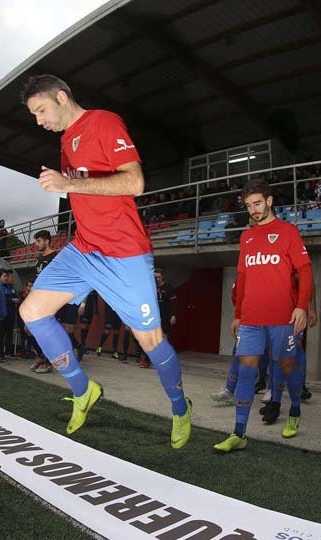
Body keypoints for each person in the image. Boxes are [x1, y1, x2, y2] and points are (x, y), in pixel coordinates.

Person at [19, 74, 191, 447]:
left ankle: (180, 407)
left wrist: (70, 185)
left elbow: (134, 183)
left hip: (124, 253)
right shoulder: (65, 141)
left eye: (41, 110)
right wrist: (70, 186)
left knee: (151, 340)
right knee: (32, 311)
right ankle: (84, 389)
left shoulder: (104, 122)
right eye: (34, 114)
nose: (39, 121)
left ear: (62, 97)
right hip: (84, 249)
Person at [214, 178, 313, 453]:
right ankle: (239, 432)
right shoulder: (247, 237)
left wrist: (302, 306)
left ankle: (294, 410)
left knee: (287, 367)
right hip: (251, 320)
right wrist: (237, 314)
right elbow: (243, 276)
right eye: (249, 205)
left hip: (283, 319)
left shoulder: (288, 232)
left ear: (269, 201)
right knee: (246, 370)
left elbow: (305, 270)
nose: (254, 209)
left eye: (257, 203)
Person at [30, 230, 58, 373]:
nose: (36, 244)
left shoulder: (55, 257)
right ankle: (42, 356)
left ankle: (48, 364)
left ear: (47, 241)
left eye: (39, 241)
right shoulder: (39, 258)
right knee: (28, 329)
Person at [76, 290, 99, 360]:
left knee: (87, 327)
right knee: (84, 326)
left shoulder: (94, 286)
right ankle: (82, 345)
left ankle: (83, 344)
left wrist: (96, 309)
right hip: (85, 305)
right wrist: (82, 305)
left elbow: (96, 297)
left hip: (91, 306)